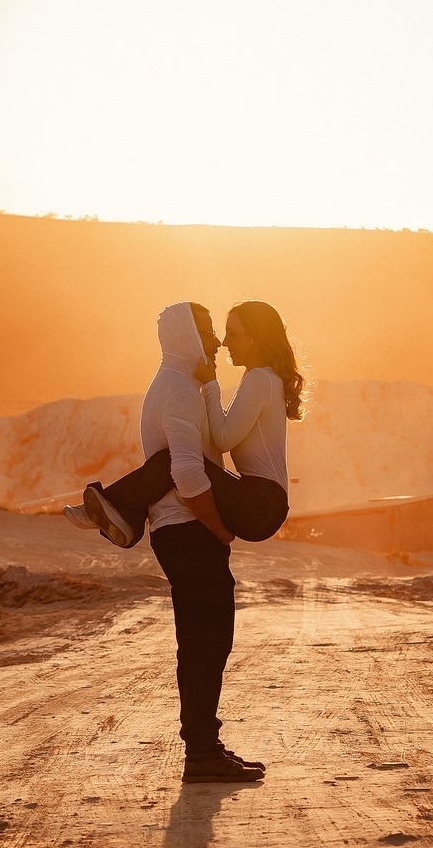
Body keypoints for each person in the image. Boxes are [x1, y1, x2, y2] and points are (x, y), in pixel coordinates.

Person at [65, 301, 305, 785]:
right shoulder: (181, 388)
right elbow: (190, 469)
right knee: (205, 643)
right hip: (204, 525)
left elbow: (216, 441)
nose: (219, 342)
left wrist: (211, 384)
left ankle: (116, 507)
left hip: (253, 504)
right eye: (213, 333)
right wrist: (218, 529)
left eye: (230, 332)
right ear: (188, 339)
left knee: (207, 643)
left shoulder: (202, 385)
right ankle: (201, 752)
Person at [65, 300, 304, 549]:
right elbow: (225, 428)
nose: (224, 343)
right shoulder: (262, 378)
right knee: (182, 462)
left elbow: (222, 439)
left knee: (175, 461)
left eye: (233, 334)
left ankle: (108, 506)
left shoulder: (259, 378)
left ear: (256, 338)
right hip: (263, 502)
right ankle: (121, 514)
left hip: (261, 505)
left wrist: (211, 384)